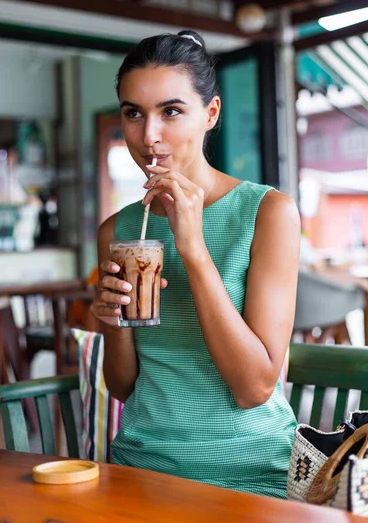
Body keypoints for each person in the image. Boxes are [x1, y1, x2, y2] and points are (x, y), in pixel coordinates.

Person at [90, 30, 301, 499]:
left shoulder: (268, 213)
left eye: (171, 111)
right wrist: (114, 322)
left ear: (211, 113)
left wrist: (194, 248)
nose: (149, 136)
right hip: (139, 468)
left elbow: (254, 388)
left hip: (249, 472)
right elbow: (123, 387)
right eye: (133, 113)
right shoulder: (118, 231)